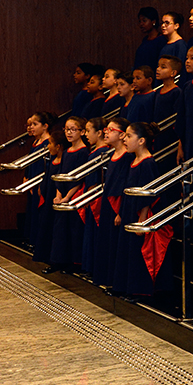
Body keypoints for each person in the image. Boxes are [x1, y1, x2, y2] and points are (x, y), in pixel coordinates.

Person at [112, 121, 172, 301]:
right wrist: (121, 213)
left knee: (139, 252)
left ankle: (140, 290)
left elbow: (147, 194)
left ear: (141, 141)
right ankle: (125, 286)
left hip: (141, 214)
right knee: (128, 250)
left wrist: (143, 220)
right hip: (130, 210)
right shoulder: (133, 161)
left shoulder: (147, 163)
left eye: (129, 136)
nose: (125, 140)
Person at [47, 117, 89, 273]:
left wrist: (67, 197)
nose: (69, 133)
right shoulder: (67, 151)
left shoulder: (83, 152)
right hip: (63, 194)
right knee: (60, 230)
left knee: (73, 231)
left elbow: (79, 177)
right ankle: (58, 261)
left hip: (74, 194)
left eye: (73, 129)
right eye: (66, 129)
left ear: (82, 132)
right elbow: (61, 174)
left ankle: (74, 263)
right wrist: (59, 194)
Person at [93, 117, 130, 288]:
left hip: (118, 203)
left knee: (115, 242)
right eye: (106, 129)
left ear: (122, 135)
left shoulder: (126, 157)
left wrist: (120, 211)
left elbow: (124, 184)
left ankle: (117, 282)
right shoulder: (111, 154)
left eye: (111, 130)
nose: (106, 132)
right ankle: (106, 279)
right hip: (108, 201)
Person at [33, 124, 68, 268]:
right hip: (48, 195)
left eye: (51, 144)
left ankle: (55, 261)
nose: (48, 147)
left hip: (56, 197)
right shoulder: (52, 159)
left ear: (58, 146)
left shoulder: (64, 160)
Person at [79, 117, 110, 277]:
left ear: (99, 133)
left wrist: (88, 196)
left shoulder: (102, 152)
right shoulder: (95, 151)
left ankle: (95, 268)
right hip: (92, 194)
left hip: (95, 196)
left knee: (94, 232)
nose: (86, 135)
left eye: (88, 131)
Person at [21, 111, 54, 249]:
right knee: (32, 211)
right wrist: (26, 177)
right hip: (32, 180)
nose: (31, 127)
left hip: (40, 181)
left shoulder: (48, 143)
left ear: (45, 126)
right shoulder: (35, 141)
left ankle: (38, 242)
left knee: (39, 212)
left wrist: (41, 183)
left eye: (35, 124)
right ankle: (31, 238)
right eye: (30, 125)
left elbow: (47, 165)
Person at [134, 6, 165, 73]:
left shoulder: (161, 40)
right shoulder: (145, 40)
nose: (141, 24)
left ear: (153, 21)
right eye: (140, 21)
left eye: (144, 21)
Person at [154, 55, 182, 126]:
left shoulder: (176, 92)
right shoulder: (158, 91)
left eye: (163, 67)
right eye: (158, 66)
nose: (158, 69)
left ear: (173, 73)